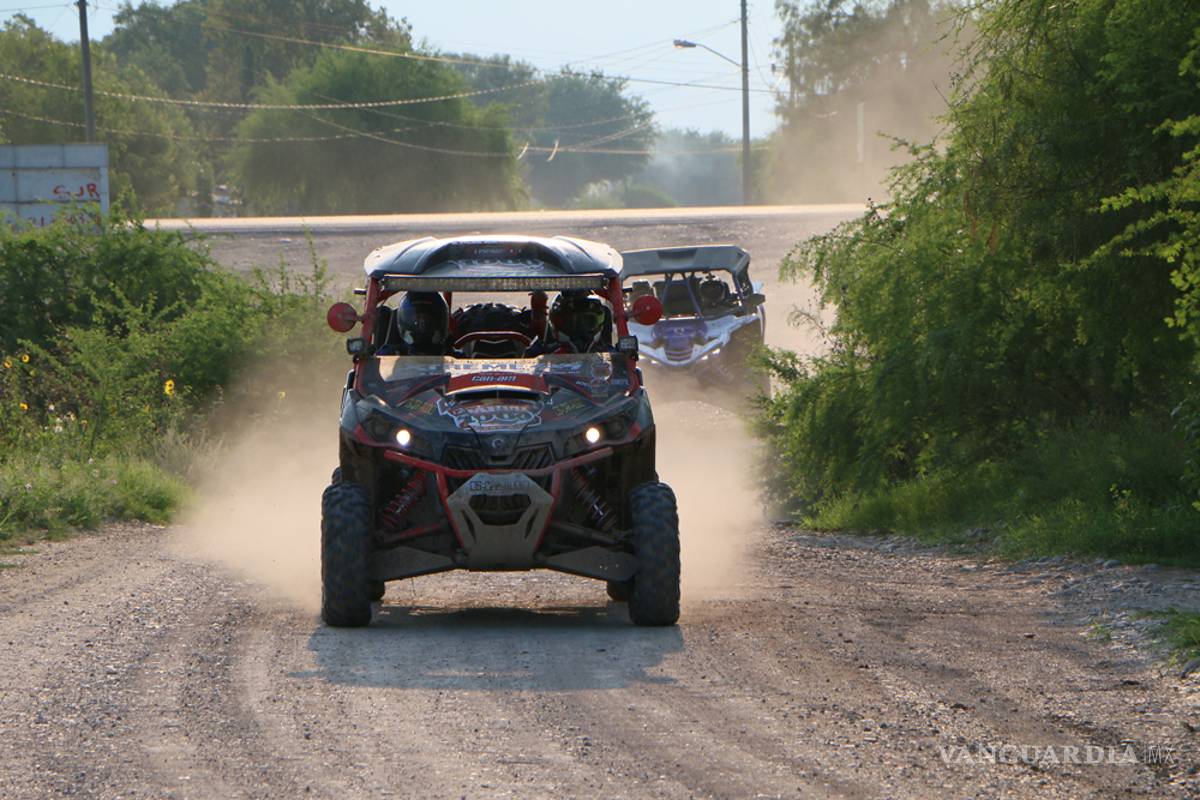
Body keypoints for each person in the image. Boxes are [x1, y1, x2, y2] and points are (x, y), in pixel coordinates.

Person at [526, 290, 613, 355]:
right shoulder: (541, 353)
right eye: (573, 323)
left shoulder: (610, 355)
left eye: (589, 322)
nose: (581, 330)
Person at [380, 291, 450, 355]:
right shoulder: (390, 354)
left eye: (427, 319)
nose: (422, 324)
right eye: (417, 318)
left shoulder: (450, 356)